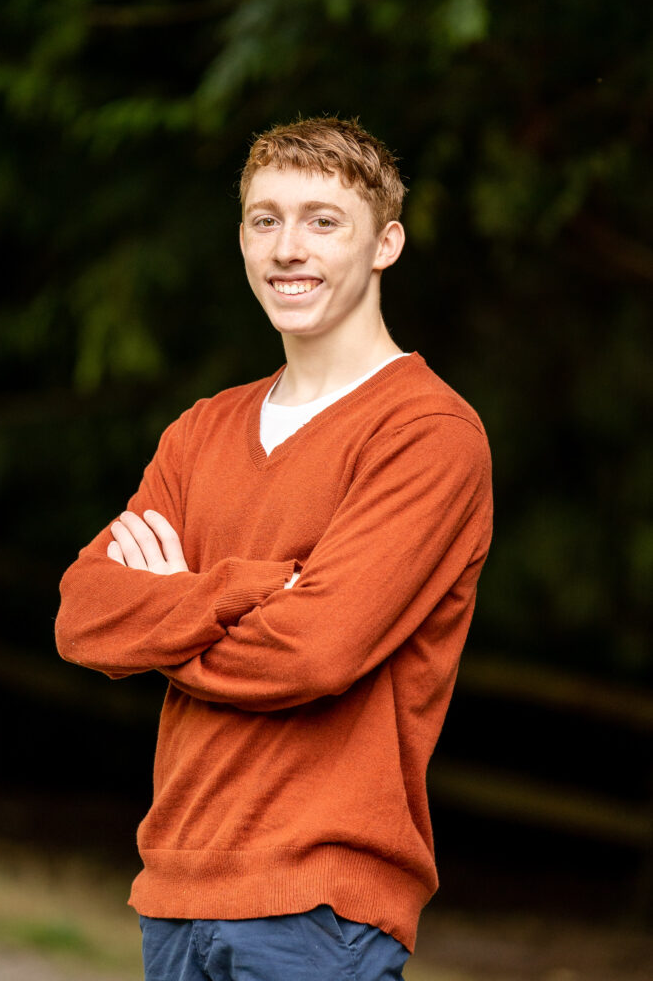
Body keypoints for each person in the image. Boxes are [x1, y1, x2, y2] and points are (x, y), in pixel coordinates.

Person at [55, 116, 493, 981]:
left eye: (322, 221)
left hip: (318, 909)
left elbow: (312, 653)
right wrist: (245, 589)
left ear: (384, 244)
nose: (288, 248)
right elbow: (83, 615)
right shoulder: (201, 429)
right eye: (265, 219)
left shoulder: (427, 433)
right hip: (175, 889)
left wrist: (166, 615)